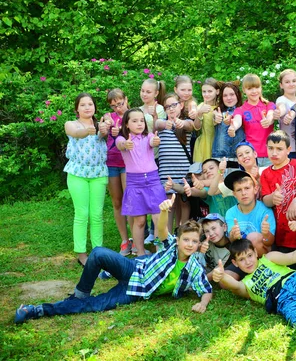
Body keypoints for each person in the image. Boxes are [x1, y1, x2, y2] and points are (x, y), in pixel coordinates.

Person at [14, 195, 213, 324]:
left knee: (96, 305)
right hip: (134, 269)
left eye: (194, 241)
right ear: (178, 241)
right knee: (99, 252)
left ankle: (36, 310)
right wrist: (162, 211)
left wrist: (203, 304)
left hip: (135, 290)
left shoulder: (194, 267)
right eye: (185, 239)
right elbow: (162, 230)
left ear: (198, 245)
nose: (189, 244)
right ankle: (80, 293)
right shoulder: (171, 246)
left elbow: (206, 289)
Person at [63, 93, 108, 266]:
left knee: (96, 215)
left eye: (90, 104)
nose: (87, 107)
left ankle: (99, 252)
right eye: (83, 105)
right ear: (77, 109)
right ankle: (81, 253)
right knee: (82, 214)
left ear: (94, 107)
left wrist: (105, 129)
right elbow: (76, 133)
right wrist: (86, 131)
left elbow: (108, 135)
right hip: (77, 175)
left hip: (98, 174)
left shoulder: (101, 125)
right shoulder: (71, 124)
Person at [116, 108, 167, 255]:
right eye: (134, 121)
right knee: (139, 221)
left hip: (153, 180)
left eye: (141, 121)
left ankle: (159, 251)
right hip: (134, 182)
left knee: (158, 218)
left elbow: (153, 141)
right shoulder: (122, 139)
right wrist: (126, 145)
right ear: (126, 124)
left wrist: (156, 140)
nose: (139, 124)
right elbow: (120, 145)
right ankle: (140, 253)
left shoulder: (148, 136)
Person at [260, 131, 296, 255]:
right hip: (283, 236)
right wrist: (273, 197)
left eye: (279, 149)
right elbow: (265, 199)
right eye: (270, 148)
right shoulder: (265, 174)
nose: (274, 153)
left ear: (288, 149)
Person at [156, 93, 198, 232]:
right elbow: (157, 124)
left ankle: (183, 233)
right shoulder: (162, 125)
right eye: (167, 107)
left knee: (184, 203)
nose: (171, 109)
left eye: (173, 105)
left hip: (183, 172)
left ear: (180, 105)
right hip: (166, 173)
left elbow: (190, 125)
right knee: (169, 205)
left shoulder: (186, 122)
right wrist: (166, 123)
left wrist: (181, 123)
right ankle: (167, 237)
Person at [224, 170, 276, 276]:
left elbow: (269, 242)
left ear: (255, 189)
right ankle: (246, 271)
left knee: (253, 237)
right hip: (243, 256)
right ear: (234, 194)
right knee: (225, 280)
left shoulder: (265, 210)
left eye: (247, 188)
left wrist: (266, 234)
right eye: (239, 190)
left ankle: (261, 270)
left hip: (263, 253)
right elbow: (232, 240)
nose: (243, 193)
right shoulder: (230, 213)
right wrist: (234, 236)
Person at [100, 89, 132, 255]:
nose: (118, 108)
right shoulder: (108, 117)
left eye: (120, 104)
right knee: (117, 202)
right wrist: (106, 127)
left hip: (128, 163)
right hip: (112, 162)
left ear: (126, 99)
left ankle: (136, 237)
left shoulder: (133, 115)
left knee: (130, 199)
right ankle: (124, 241)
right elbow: (104, 126)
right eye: (114, 106)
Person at [229, 73, 276, 166]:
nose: (254, 91)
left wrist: (268, 120)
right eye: (250, 88)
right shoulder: (240, 109)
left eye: (257, 87)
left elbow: (271, 115)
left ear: (261, 88)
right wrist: (233, 127)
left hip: (271, 155)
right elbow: (237, 120)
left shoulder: (268, 105)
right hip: (251, 156)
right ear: (244, 90)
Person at [212, 81, 245, 166]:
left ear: (237, 95)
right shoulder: (217, 112)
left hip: (239, 157)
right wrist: (216, 118)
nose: (229, 98)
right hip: (220, 158)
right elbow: (214, 119)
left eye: (232, 94)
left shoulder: (244, 111)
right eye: (225, 95)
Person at [197, 213, 232, 282]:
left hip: (208, 273)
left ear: (224, 227)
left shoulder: (229, 251)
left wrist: (200, 282)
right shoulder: (204, 239)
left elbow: (215, 272)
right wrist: (198, 247)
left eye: (214, 228)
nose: (211, 233)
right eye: (207, 231)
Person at [275, 69, 296, 157]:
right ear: (281, 85)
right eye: (287, 82)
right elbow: (282, 107)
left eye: (294, 81)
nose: (291, 84)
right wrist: (279, 113)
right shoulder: (281, 99)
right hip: (288, 148)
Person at [193, 78, 219, 163]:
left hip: (217, 142)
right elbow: (196, 127)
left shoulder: (220, 106)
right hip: (204, 144)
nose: (206, 94)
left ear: (217, 91)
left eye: (210, 91)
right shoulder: (201, 106)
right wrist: (199, 113)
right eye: (204, 91)